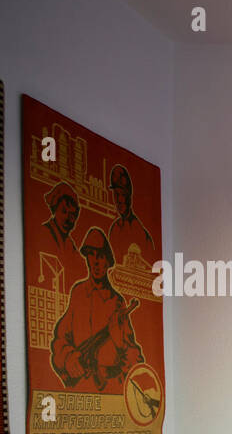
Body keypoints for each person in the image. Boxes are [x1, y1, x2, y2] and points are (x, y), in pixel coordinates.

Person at [49, 227, 143, 392]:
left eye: (100, 256)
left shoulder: (117, 302)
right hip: (80, 387)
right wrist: (68, 358)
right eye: (91, 255)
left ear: (107, 261)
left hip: (109, 387)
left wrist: (119, 344)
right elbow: (60, 340)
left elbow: (132, 352)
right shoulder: (78, 293)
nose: (95, 261)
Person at [106, 165, 156, 264]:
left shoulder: (140, 232)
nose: (119, 200)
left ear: (130, 195)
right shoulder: (114, 229)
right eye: (116, 195)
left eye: (123, 194)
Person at [40, 181, 82, 288]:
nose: (68, 219)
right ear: (55, 210)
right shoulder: (44, 232)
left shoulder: (69, 243)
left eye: (72, 215)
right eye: (64, 211)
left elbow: (82, 268)